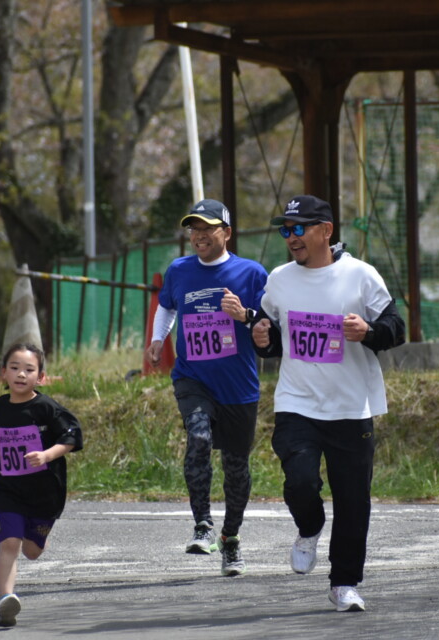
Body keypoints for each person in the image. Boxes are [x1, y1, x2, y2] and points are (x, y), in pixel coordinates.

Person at [251, 195, 405, 612]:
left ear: (326, 231)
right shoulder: (280, 279)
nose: (291, 238)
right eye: (285, 230)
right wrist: (262, 338)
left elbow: (396, 327)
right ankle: (309, 526)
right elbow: (270, 333)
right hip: (297, 402)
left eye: (299, 229)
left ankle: (345, 583)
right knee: (300, 481)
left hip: (351, 406)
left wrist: (369, 330)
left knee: (354, 500)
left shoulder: (360, 275)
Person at [145, 198, 268, 577]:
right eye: (193, 229)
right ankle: (202, 524)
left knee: (236, 467)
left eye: (207, 228)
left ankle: (230, 540)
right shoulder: (179, 270)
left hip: (238, 386)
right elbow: (167, 306)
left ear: (226, 233)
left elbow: (268, 324)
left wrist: (244, 316)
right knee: (197, 436)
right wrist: (157, 338)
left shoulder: (251, 274)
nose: (198, 236)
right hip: (192, 377)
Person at [0, 343, 83, 627]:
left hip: (43, 492)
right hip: (7, 489)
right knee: (9, 543)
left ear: (40, 376)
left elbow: (72, 435)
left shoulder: (46, 407)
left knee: (31, 551)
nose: (20, 374)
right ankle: (6, 599)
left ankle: (38, 536)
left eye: (29, 369)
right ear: (3, 373)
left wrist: (46, 455)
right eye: (14, 368)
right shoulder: (0, 406)